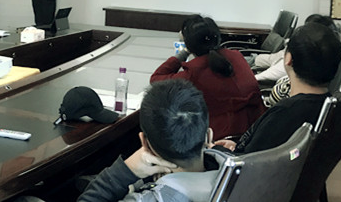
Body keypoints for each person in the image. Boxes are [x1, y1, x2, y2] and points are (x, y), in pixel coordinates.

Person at [78, 79, 230, 202]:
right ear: (208, 136)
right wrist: (220, 151)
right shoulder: (238, 173)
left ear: (144, 143)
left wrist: (126, 171)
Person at [215, 22, 341, 154]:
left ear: (288, 58)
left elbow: (249, 159)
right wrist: (235, 146)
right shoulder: (332, 110)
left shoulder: (285, 113)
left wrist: (217, 150)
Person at [150, 15, 264, 139]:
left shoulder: (194, 72)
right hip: (258, 128)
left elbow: (156, 79)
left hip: (222, 137)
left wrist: (185, 51)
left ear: (189, 44)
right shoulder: (236, 56)